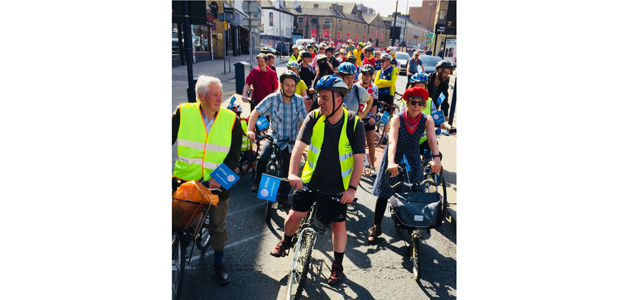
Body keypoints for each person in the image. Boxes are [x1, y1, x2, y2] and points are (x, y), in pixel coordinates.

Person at [270, 75, 366, 286]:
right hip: (310, 181)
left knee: (338, 226)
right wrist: (293, 173)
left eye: (324, 97)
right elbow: (298, 146)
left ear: (338, 100)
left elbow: (359, 160)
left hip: (338, 187)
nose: (318, 102)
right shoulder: (313, 117)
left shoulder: (353, 124)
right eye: (318, 96)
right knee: (294, 216)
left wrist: (351, 189)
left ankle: (337, 265)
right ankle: (286, 241)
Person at [172, 75, 242, 285]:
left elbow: (234, 154)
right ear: (201, 96)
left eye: (221, 94)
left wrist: (219, 178)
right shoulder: (184, 112)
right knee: (175, 221)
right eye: (215, 94)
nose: (220, 98)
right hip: (185, 180)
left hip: (217, 184)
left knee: (217, 225)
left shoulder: (231, 119)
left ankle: (219, 262)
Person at [367, 86, 441, 244]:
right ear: (407, 103)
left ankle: (414, 225)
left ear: (424, 105)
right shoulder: (397, 118)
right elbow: (392, 141)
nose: (416, 105)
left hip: (413, 155)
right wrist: (392, 162)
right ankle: (376, 226)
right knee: (384, 192)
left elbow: (432, 140)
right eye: (413, 102)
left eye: (420, 103)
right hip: (395, 154)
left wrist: (436, 158)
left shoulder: (427, 119)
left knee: (416, 190)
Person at [246, 71, 307, 205]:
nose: (290, 88)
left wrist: (301, 139)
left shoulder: (298, 101)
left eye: (292, 85)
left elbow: (303, 121)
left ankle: (283, 196)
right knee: (262, 158)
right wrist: (250, 129)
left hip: (290, 141)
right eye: (287, 85)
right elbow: (256, 112)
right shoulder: (272, 98)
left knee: (288, 169)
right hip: (274, 137)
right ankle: (258, 181)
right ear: (281, 85)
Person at [357, 64, 379, 177]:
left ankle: (372, 167)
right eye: (364, 74)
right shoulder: (356, 85)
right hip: (357, 116)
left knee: (370, 143)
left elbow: (374, 104)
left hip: (368, 117)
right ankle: (356, 166)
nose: (366, 77)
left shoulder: (374, 87)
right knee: (356, 143)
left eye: (369, 75)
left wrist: (372, 117)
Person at [374, 53, 398, 144]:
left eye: (383, 61)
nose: (381, 63)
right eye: (380, 61)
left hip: (389, 95)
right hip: (379, 94)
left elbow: (392, 83)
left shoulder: (394, 70)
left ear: (388, 61)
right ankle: (375, 128)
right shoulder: (380, 71)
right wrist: (384, 82)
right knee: (375, 111)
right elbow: (376, 83)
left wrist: (381, 82)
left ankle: (385, 134)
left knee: (386, 115)